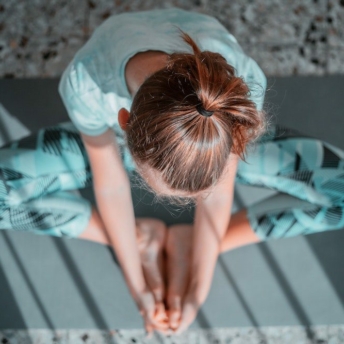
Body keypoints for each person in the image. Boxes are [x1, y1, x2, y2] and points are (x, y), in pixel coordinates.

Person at [0, 7, 343, 336]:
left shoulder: (236, 89)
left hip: (213, 135)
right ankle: (134, 238)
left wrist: (199, 285)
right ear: (125, 121)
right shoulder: (87, 82)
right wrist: (137, 284)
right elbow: (112, 187)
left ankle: (195, 242)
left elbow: (218, 194)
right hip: (114, 139)